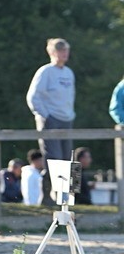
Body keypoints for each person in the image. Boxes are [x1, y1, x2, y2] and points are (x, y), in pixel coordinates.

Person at [26, 37, 75, 173]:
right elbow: (33, 97)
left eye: (66, 50)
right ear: (52, 52)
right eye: (60, 50)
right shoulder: (45, 71)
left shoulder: (69, 73)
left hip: (67, 119)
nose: (64, 53)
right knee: (54, 160)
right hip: (51, 119)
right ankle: (49, 186)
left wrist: (71, 114)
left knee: (68, 159)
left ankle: (70, 187)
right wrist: (46, 116)